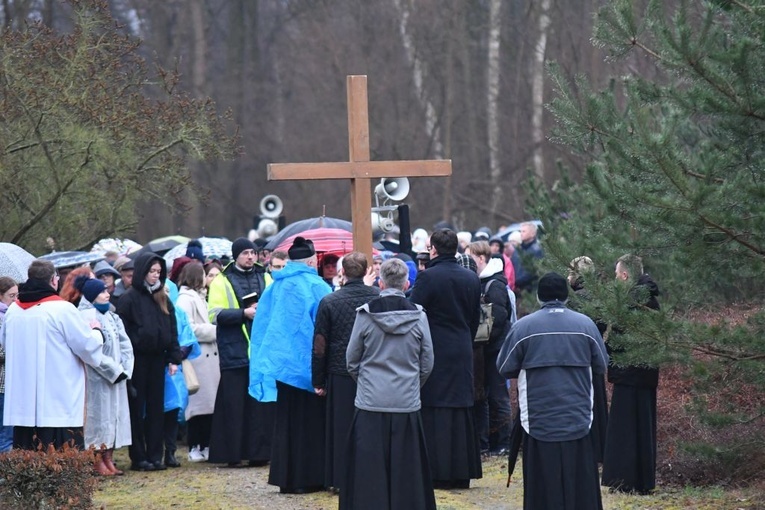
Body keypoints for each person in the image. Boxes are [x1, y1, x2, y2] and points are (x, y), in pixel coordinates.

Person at [497, 272, 608, 510]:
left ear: (538, 297)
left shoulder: (523, 327)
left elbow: (504, 367)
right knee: (580, 482)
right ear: (567, 296)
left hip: (538, 418)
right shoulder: (585, 325)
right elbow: (601, 365)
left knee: (542, 485)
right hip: (577, 416)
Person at [340, 258, 436, 510]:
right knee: (408, 468)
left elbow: (352, 360)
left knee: (368, 468)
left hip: (371, 401)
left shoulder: (365, 314)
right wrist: (412, 384)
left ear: (380, 283)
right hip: (406, 401)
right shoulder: (418, 316)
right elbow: (427, 361)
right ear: (406, 284)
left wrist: (366, 383)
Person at [249, 236, 332, 494]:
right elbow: (326, 327)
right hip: (309, 367)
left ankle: (286, 477)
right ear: (311, 260)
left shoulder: (275, 287)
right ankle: (310, 477)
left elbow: (262, 324)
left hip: (282, 368)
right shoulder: (317, 286)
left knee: (286, 423)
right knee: (311, 425)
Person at [0, 260, 104, 450]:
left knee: (28, 459)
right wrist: (97, 331)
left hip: (23, 404)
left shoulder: (13, 311)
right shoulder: (62, 309)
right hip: (58, 402)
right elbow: (87, 346)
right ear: (54, 281)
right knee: (60, 458)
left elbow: (6, 345)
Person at [409, 228, 483, 489]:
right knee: (461, 407)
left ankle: (437, 471)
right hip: (462, 346)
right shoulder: (471, 278)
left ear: (433, 249)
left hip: (435, 347)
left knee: (435, 406)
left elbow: (413, 313)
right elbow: (476, 318)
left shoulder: (427, 277)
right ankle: (461, 470)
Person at [312, 252, 380, 491]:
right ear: (365, 272)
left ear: (342, 273)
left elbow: (320, 343)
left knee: (340, 428)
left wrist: (318, 379)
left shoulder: (330, 301)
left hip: (339, 371)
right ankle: (368, 477)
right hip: (371, 370)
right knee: (369, 427)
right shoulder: (378, 298)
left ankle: (340, 478)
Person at [207, 237, 274, 468]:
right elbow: (214, 314)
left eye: (253, 253)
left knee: (258, 407)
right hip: (233, 348)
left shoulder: (265, 276)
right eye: (245, 253)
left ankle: (259, 453)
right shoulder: (222, 280)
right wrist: (242, 314)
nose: (250, 257)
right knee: (234, 406)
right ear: (236, 255)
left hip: (259, 350)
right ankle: (232, 453)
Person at [116, 252, 182, 471]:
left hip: (158, 359)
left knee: (156, 408)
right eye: (152, 271)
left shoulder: (162, 296)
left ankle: (156, 455)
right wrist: (139, 341)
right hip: (137, 360)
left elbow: (171, 328)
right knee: (136, 408)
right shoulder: (129, 298)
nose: (155, 276)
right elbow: (124, 331)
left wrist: (174, 357)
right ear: (143, 272)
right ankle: (139, 455)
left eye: (158, 272)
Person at [602, 254, 661, 494]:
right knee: (642, 429)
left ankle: (625, 479)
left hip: (629, 373)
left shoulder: (632, 302)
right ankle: (641, 480)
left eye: (617, 275)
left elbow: (619, 339)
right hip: (644, 374)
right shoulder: (650, 300)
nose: (616, 280)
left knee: (625, 431)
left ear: (625, 275)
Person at [75, 275, 134, 476]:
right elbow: (91, 351)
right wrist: (113, 370)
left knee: (113, 418)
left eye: (106, 290)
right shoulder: (85, 317)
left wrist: (125, 368)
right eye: (101, 291)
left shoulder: (111, 316)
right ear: (92, 295)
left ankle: (109, 457)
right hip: (98, 378)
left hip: (117, 377)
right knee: (98, 419)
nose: (107, 294)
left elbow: (125, 344)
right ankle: (96, 459)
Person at [466, 240, 512, 457]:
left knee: (498, 396)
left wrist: (482, 339)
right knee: (484, 396)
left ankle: (504, 443)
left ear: (481, 258)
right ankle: (488, 442)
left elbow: (500, 319)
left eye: (471, 257)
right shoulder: (484, 283)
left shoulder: (495, 285)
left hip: (495, 350)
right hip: (485, 350)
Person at [176, 262, 220, 462]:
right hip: (200, 358)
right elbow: (189, 328)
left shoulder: (200, 297)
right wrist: (213, 331)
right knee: (199, 407)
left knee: (209, 407)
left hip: (208, 358)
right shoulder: (186, 299)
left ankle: (206, 444)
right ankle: (196, 445)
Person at [567, 255, 609, 463]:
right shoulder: (598, 295)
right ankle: (601, 448)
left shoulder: (576, 299)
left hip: (578, 358)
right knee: (598, 403)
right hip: (594, 355)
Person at [0, 276, 18, 452]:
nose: (15, 300)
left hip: (9, 383)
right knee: (5, 434)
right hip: (2, 383)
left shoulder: (13, 316)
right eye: (11, 296)